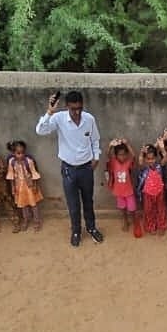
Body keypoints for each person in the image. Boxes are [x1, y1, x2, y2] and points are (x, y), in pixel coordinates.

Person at [35, 90, 104, 247]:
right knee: (73, 204)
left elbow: (95, 140)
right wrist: (49, 112)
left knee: (88, 201)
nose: (77, 112)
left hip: (87, 168)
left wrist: (96, 158)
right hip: (69, 170)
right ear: (66, 107)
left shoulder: (89, 119)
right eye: (73, 109)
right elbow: (40, 130)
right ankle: (76, 231)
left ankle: (92, 228)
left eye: (79, 108)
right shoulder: (58, 118)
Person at [6, 140, 44, 232]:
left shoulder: (29, 161)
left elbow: (34, 174)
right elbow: (11, 176)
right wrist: (13, 187)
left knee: (33, 204)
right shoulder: (12, 162)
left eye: (23, 152)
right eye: (18, 153)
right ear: (13, 153)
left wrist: (35, 186)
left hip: (29, 186)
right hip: (19, 187)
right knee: (23, 205)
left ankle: (37, 221)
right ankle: (26, 220)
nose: (21, 155)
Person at [104, 138, 137, 233]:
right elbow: (108, 155)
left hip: (129, 191)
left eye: (124, 154)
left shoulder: (128, 162)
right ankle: (125, 221)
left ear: (126, 154)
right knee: (122, 209)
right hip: (118, 192)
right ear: (116, 155)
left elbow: (133, 155)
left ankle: (134, 221)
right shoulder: (114, 162)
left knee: (132, 209)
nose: (122, 157)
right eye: (119, 155)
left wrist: (127, 144)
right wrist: (110, 146)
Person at [136, 144, 167, 236]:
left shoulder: (159, 166)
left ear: (156, 158)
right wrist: (141, 153)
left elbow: (165, 158)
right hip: (147, 194)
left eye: (153, 158)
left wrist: (161, 147)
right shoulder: (144, 168)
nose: (151, 161)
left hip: (159, 192)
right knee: (149, 210)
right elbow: (140, 161)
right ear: (145, 159)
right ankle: (151, 225)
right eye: (148, 159)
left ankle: (161, 225)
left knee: (160, 209)